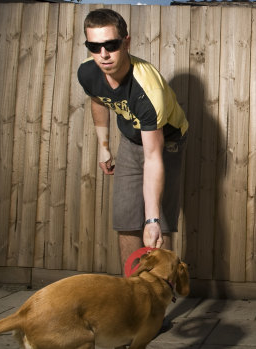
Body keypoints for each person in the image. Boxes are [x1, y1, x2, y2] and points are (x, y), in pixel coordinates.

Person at [77, 9, 188, 272]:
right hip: (131, 138)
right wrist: (103, 146)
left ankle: (159, 299)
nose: (103, 54)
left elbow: (153, 158)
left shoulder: (148, 92)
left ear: (126, 42)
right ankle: (133, 294)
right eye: (94, 46)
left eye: (111, 45)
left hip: (167, 141)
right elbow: (98, 99)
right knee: (126, 219)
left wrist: (151, 219)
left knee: (159, 222)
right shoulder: (88, 72)